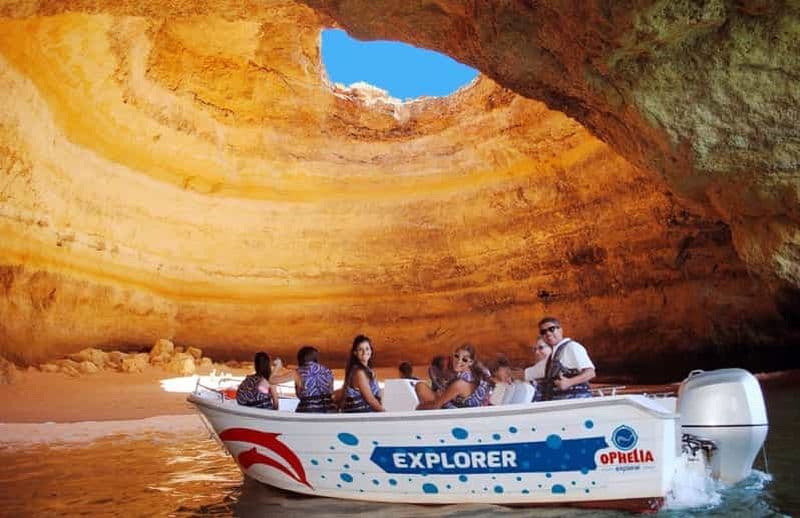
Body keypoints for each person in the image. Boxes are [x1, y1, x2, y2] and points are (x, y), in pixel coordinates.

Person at [416, 343, 490, 410]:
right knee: (422, 387)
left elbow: (436, 405)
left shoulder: (460, 383)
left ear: (471, 362)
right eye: (456, 356)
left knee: (421, 387)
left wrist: (418, 408)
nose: (459, 361)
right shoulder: (473, 375)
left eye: (464, 360)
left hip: (460, 415)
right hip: (465, 409)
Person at [537, 317, 595, 400]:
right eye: (543, 332)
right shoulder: (553, 355)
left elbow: (590, 373)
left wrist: (569, 382)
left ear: (560, 330)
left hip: (576, 402)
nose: (548, 333)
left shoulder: (572, 347)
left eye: (551, 329)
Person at [340, 335, 384, 412]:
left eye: (367, 349)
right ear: (355, 352)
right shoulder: (359, 372)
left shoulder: (369, 371)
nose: (364, 352)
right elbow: (370, 399)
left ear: (371, 351)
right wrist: (386, 414)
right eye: (360, 349)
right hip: (361, 415)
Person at [294, 345, 336, 413]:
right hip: (328, 407)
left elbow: (299, 394)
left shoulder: (299, 372)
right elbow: (331, 391)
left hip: (308, 408)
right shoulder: (327, 370)